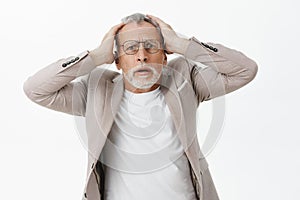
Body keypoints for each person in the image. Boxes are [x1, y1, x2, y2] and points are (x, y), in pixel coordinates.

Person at [23, 13, 258, 200]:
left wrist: (183, 44)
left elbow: (245, 70)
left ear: (165, 56)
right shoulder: (96, 90)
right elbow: (36, 89)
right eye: (131, 48)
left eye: (151, 47)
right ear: (117, 61)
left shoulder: (186, 80)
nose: (142, 56)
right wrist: (93, 57)